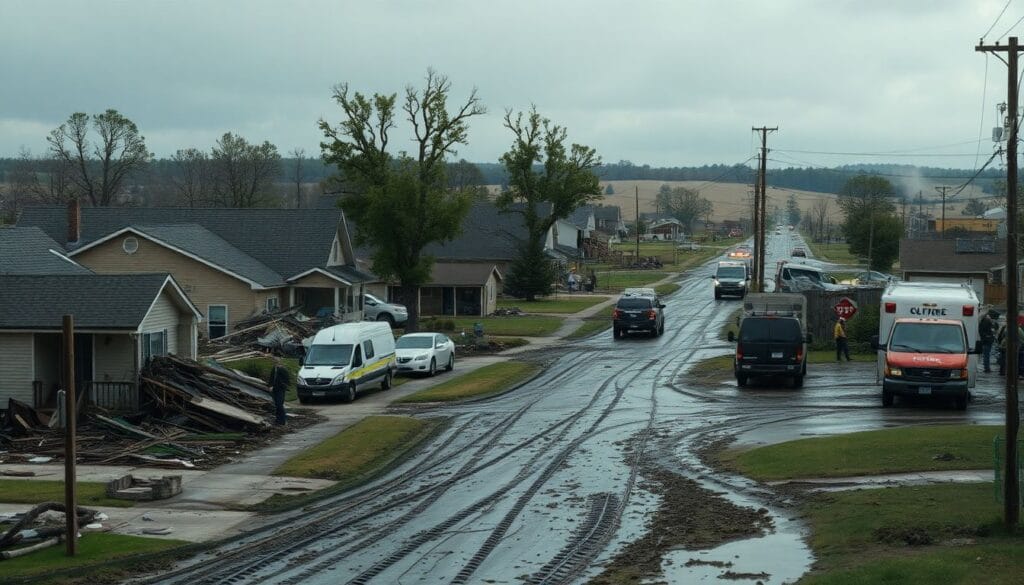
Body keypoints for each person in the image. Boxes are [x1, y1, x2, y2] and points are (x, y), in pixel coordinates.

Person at [269, 358, 290, 425]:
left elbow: (287, 380)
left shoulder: (283, 369)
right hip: (274, 389)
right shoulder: (274, 369)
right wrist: (270, 385)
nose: (276, 363)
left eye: (277, 362)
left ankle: (283, 420)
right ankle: (278, 420)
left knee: (279, 404)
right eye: (275, 362)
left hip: (280, 389)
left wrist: (283, 385)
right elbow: (271, 378)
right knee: (277, 405)